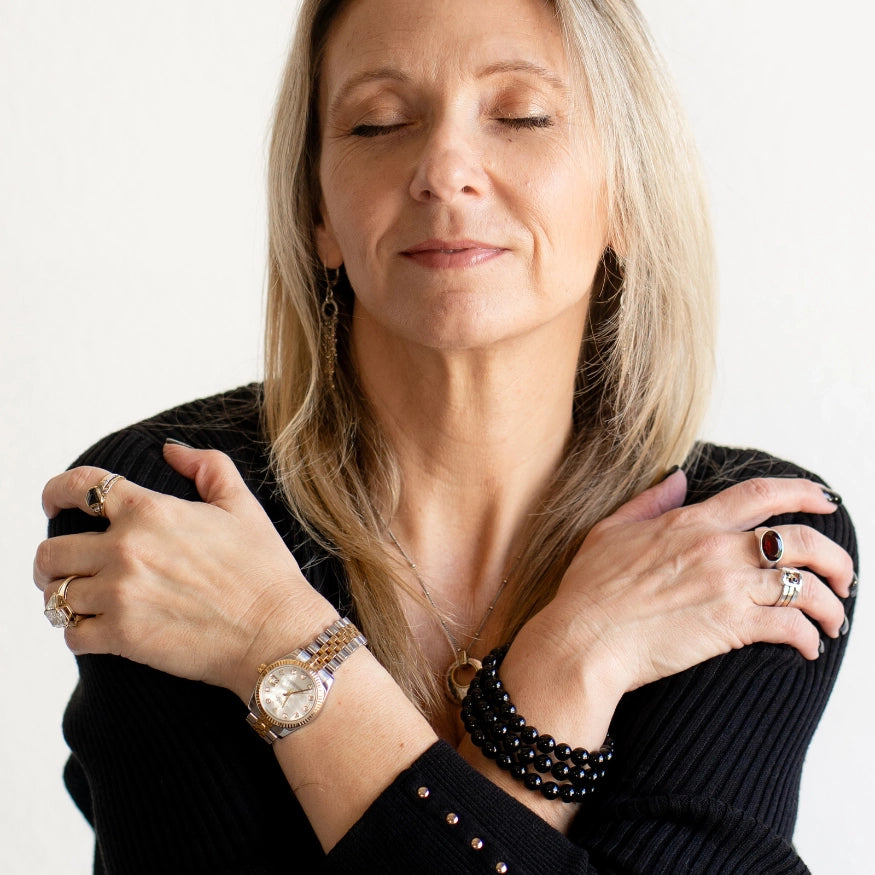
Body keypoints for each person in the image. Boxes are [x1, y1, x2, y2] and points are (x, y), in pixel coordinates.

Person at [34, 0, 857, 872]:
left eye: (521, 116)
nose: (444, 170)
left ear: (626, 189)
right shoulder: (171, 500)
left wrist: (274, 642)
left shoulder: (740, 541)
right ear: (317, 211)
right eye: (377, 122)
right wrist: (557, 693)